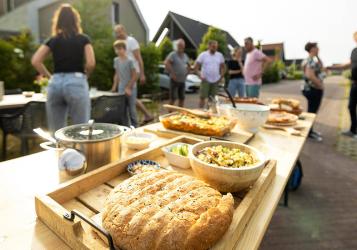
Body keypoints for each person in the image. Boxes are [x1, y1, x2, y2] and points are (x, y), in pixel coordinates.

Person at [31, 4, 95, 132]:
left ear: (58, 21)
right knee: (82, 130)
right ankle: (79, 152)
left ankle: (59, 151)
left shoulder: (53, 40)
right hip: (76, 81)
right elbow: (91, 63)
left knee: (57, 132)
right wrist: (85, 76)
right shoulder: (83, 39)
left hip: (55, 83)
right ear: (76, 20)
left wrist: (50, 78)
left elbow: (36, 60)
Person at [114, 25, 154, 125]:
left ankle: (142, 119)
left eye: (119, 32)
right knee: (131, 99)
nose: (118, 34)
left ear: (124, 30)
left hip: (133, 72)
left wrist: (142, 74)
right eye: (116, 32)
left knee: (131, 99)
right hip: (124, 75)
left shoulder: (131, 41)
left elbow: (139, 58)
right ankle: (147, 115)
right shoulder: (119, 45)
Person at [327, 32, 357, 139]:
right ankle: (353, 131)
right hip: (354, 84)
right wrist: (331, 67)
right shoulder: (354, 51)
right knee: (351, 107)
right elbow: (347, 65)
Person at [302, 42, 326, 142]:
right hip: (313, 89)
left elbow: (321, 67)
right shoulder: (310, 60)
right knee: (312, 112)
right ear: (312, 49)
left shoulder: (312, 59)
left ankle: (310, 131)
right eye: (316, 47)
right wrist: (320, 85)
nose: (318, 48)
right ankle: (308, 132)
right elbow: (309, 75)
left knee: (312, 111)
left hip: (312, 89)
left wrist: (318, 56)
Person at [111, 40, 138, 127]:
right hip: (121, 88)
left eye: (120, 49)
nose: (118, 51)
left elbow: (135, 75)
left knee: (132, 110)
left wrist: (128, 87)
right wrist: (114, 87)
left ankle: (136, 128)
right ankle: (125, 128)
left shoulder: (130, 61)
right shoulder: (116, 60)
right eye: (116, 49)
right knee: (122, 110)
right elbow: (117, 74)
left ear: (124, 49)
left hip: (131, 88)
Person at [193, 40, 225, 108]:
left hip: (215, 80)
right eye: (213, 46)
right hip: (205, 80)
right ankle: (200, 112)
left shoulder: (220, 55)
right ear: (209, 46)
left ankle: (209, 113)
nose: (215, 48)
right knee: (202, 98)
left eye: (216, 47)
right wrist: (200, 75)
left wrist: (221, 77)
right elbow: (196, 67)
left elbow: (223, 67)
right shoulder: (203, 55)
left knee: (212, 99)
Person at [164, 39, 190, 107]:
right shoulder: (173, 54)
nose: (181, 47)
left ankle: (180, 114)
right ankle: (169, 114)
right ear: (177, 46)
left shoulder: (185, 55)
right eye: (179, 45)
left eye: (182, 45)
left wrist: (187, 72)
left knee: (182, 98)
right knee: (173, 98)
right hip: (174, 80)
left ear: (184, 46)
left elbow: (188, 65)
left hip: (182, 80)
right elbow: (166, 63)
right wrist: (172, 73)